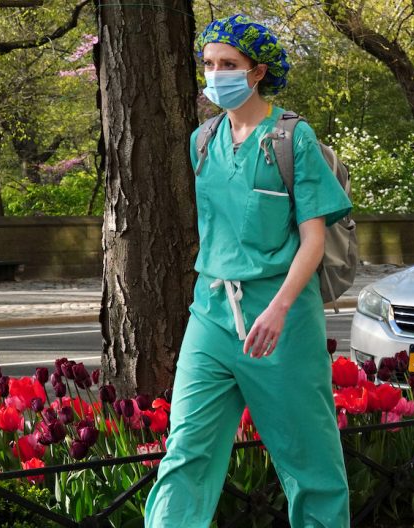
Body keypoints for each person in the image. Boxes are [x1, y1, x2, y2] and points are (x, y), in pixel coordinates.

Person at [143, 14, 352, 528]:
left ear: (257, 72)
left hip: (283, 319)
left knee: (310, 461)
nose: (216, 75)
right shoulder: (203, 139)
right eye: (209, 64)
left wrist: (280, 309)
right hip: (211, 313)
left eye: (229, 64)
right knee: (186, 451)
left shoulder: (292, 138)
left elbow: (314, 240)